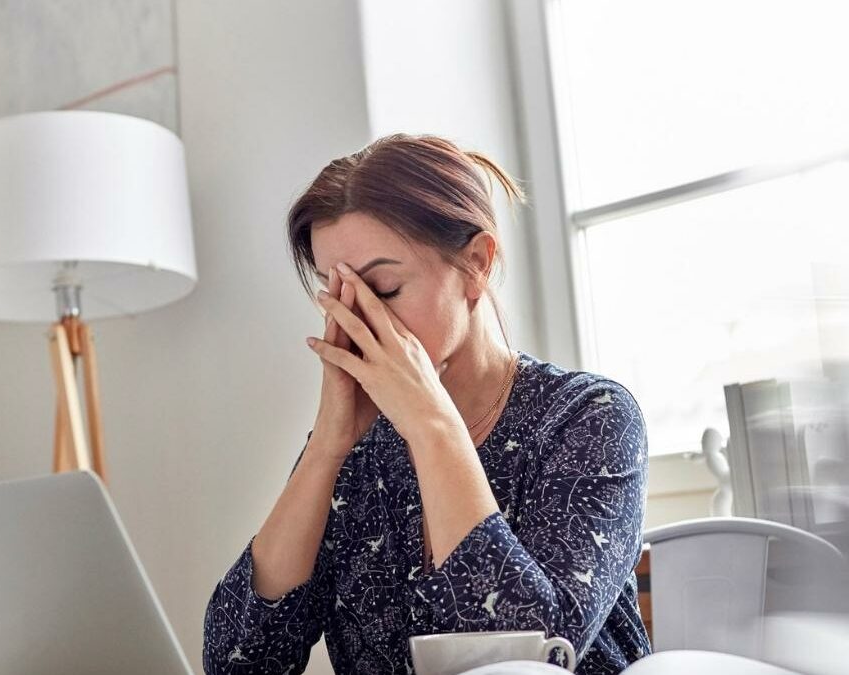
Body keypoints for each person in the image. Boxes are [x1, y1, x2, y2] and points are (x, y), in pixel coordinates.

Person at [202, 133, 651, 674]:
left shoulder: (589, 417)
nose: (360, 321)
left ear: (477, 264)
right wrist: (326, 447)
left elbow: (528, 654)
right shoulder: (354, 450)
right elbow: (238, 663)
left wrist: (433, 427)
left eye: (384, 289)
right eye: (336, 295)